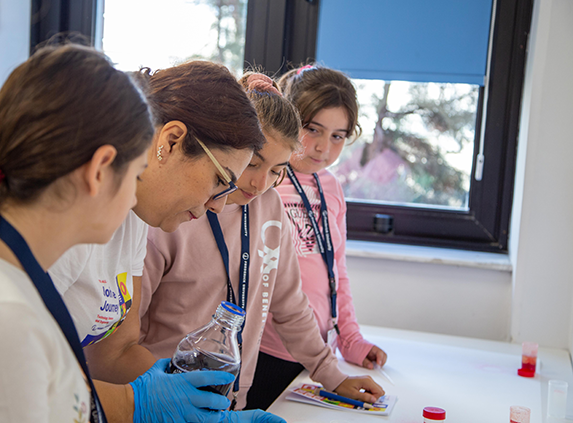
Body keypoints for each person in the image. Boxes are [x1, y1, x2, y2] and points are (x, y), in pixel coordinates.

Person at [49, 61, 283, 423]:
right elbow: (21, 375)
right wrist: (134, 404)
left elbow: (118, 350)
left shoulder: (135, 215)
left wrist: (190, 400)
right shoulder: (67, 214)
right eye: (220, 181)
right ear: (171, 141)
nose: (217, 206)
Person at [139, 72, 385, 411]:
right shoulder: (171, 215)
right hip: (162, 398)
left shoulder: (270, 207)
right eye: (252, 163)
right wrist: (149, 394)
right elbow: (122, 337)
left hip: (230, 401)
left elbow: (290, 305)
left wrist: (333, 375)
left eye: (276, 170)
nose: (259, 183)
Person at [0, 43, 153, 422]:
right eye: (136, 175)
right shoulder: (12, 321)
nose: (134, 195)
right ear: (100, 169)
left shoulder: (21, 283)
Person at [248, 64, 388, 410]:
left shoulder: (332, 188)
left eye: (338, 135)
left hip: (316, 353)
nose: (324, 147)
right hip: (262, 352)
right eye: (313, 129)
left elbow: (335, 272)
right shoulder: (263, 182)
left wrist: (350, 339)